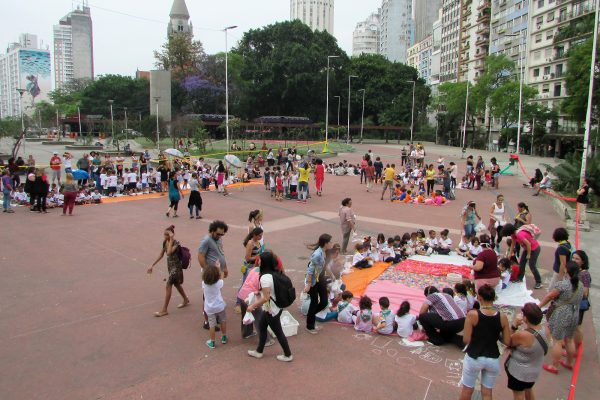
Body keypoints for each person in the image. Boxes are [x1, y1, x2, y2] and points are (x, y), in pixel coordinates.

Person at [459, 284, 511, 400]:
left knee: (467, 390)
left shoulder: (473, 314)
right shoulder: (502, 316)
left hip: (474, 356)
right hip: (493, 358)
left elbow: (466, 339)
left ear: (480, 298)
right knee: (487, 393)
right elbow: (507, 341)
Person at [247, 251, 293, 362]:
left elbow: (266, 298)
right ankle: (259, 351)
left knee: (278, 332)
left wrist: (252, 306)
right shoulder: (276, 272)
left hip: (271, 310)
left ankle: (288, 355)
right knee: (262, 327)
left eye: (260, 260)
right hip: (275, 307)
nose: (258, 261)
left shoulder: (265, 278)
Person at [539, 262, 583, 374]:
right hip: (574, 313)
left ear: (567, 271)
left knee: (557, 340)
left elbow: (550, 296)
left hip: (562, 313)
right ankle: (569, 363)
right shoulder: (581, 285)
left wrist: (539, 306)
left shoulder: (563, 285)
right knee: (569, 339)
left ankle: (554, 366)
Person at [505, 303, 548, 400]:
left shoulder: (524, 335)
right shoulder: (544, 330)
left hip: (519, 373)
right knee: (529, 389)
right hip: (534, 372)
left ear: (526, 318)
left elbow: (508, 341)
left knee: (518, 395)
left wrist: (514, 325)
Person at [147, 225, 190, 317]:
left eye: (167, 235)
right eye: (164, 234)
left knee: (168, 285)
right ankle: (185, 299)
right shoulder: (165, 242)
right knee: (177, 284)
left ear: (172, 235)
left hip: (176, 267)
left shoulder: (176, 243)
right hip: (170, 267)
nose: (165, 236)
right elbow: (162, 254)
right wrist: (152, 265)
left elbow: (169, 252)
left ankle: (164, 310)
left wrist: (171, 239)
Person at [198, 220, 229, 329]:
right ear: (212, 231)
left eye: (222, 234)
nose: (220, 236)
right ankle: (207, 321)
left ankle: (214, 316)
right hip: (210, 273)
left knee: (215, 294)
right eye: (218, 234)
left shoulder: (219, 239)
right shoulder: (206, 241)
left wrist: (224, 267)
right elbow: (200, 257)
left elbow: (221, 252)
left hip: (217, 271)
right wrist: (208, 272)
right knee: (207, 296)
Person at [304, 233, 333, 334]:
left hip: (321, 278)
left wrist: (332, 275)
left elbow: (325, 266)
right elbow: (310, 270)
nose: (331, 243)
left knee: (324, 301)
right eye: (330, 242)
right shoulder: (317, 254)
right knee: (314, 301)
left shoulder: (325, 252)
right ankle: (309, 325)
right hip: (313, 280)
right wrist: (308, 284)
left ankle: (310, 316)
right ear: (325, 243)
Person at [504, 224, 543, 289]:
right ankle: (520, 278)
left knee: (532, 265)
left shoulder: (519, 235)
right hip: (527, 249)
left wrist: (528, 254)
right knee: (522, 263)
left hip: (534, 249)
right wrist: (510, 253)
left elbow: (528, 244)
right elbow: (513, 243)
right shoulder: (513, 234)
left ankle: (538, 282)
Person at [202, 265, 228, 349]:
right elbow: (222, 277)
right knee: (223, 321)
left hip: (209, 308)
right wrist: (220, 269)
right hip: (220, 306)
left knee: (212, 325)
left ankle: (212, 342)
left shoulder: (203, 284)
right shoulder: (218, 283)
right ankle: (224, 337)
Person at [572, 250, 590, 348]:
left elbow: (585, 292)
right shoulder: (576, 270)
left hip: (579, 303)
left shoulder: (584, 274)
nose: (574, 260)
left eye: (577, 259)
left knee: (577, 326)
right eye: (573, 258)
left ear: (583, 261)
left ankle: (576, 347)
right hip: (574, 302)